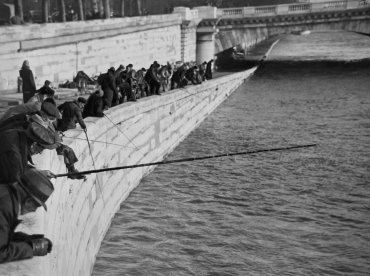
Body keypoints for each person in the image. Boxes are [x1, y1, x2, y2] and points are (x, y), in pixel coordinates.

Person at [0, 169, 54, 263]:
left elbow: (4, 235)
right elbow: (1, 253)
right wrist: (32, 248)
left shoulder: (6, 192)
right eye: (36, 205)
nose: (34, 210)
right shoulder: (6, 208)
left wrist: (26, 239)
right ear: (28, 201)